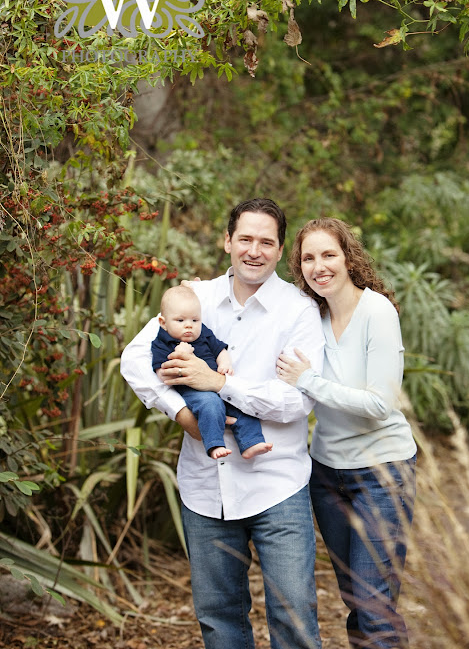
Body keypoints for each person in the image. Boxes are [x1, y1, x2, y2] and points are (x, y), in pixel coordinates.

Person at [120, 198, 324, 649]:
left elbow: (298, 401)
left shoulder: (299, 311)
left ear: (279, 249)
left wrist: (217, 383)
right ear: (227, 241)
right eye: (245, 239)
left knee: (295, 623)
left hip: (277, 485)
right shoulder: (195, 297)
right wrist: (182, 413)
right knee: (219, 621)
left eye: (266, 242)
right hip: (204, 487)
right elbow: (134, 360)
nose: (254, 250)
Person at [277, 217, 417, 649]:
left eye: (328, 254)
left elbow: (380, 404)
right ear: (299, 267)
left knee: (373, 604)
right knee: (356, 599)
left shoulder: (377, 311)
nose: (319, 266)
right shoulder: (306, 314)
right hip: (327, 476)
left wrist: (307, 381)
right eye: (308, 258)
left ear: (348, 258)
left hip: (383, 471)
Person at [151, 285, 272, 460]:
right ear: (163, 322)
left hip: (217, 384)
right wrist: (182, 357)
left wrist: (225, 364)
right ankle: (214, 444)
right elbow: (162, 375)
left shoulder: (204, 334)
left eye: (195, 320)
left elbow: (220, 349)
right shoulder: (162, 343)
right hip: (192, 391)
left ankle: (251, 442)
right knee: (210, 405)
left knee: (241, 404)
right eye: (180, 321)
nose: (189, 326)